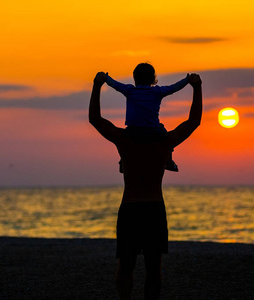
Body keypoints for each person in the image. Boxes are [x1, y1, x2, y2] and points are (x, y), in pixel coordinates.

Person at [89, 71, 202, 300]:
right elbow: (193, 122)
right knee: (153, 269)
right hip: (153, 210)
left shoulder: (125, 140)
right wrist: (196, 87)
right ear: (153, 81)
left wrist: (97, 85)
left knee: (126, 267)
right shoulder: (164, 142)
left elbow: (95, 119)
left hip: (130, 210)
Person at [103, 63, 190, 172]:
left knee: (122, 141)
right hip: (153, 131)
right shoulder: (157, 91)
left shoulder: (130, 91)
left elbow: (115, 84)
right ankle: (168, 161)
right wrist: (187, 80)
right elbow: (174, 88)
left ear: (134, 78)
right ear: (153, 79)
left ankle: (122, 161)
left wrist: (106, 78)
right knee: (166, 137)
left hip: (133, 130)